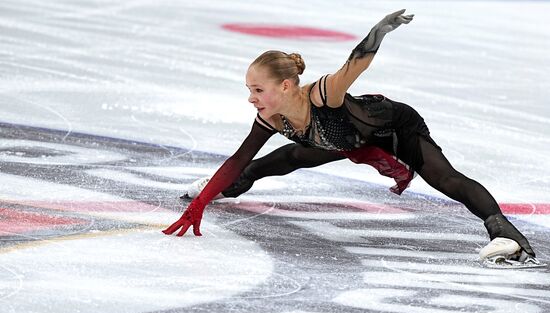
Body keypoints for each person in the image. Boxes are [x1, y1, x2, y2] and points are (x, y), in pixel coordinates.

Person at [164, 10, 543, 268]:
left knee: (446, 179)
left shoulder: (322, 94)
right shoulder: (270, 115)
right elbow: (237, 158)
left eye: (257, 89)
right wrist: (203, 200)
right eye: (249, 89)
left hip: (394, 129)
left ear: (284, 85)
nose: (251, 97)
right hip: (348, 140)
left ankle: (506, 235)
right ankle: (238, 188)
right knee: (293, 156)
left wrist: (378, 32)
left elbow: (354, 65)